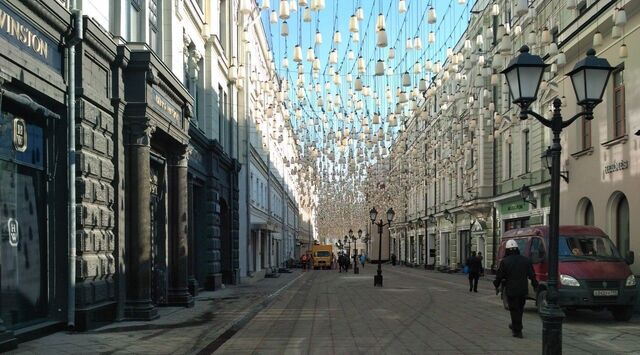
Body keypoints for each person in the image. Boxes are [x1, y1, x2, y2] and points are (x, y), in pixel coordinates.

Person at [493, 239, 539, 338]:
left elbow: (499, 276)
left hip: (511, 290)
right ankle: (516, 325)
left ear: (507, 250)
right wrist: (536, 286)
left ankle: (517, 330)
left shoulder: (505, 261)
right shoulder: (526, 260)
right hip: (522, 289)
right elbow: (532, 275)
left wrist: (496, 285)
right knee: (520, 309)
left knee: (513, 309)